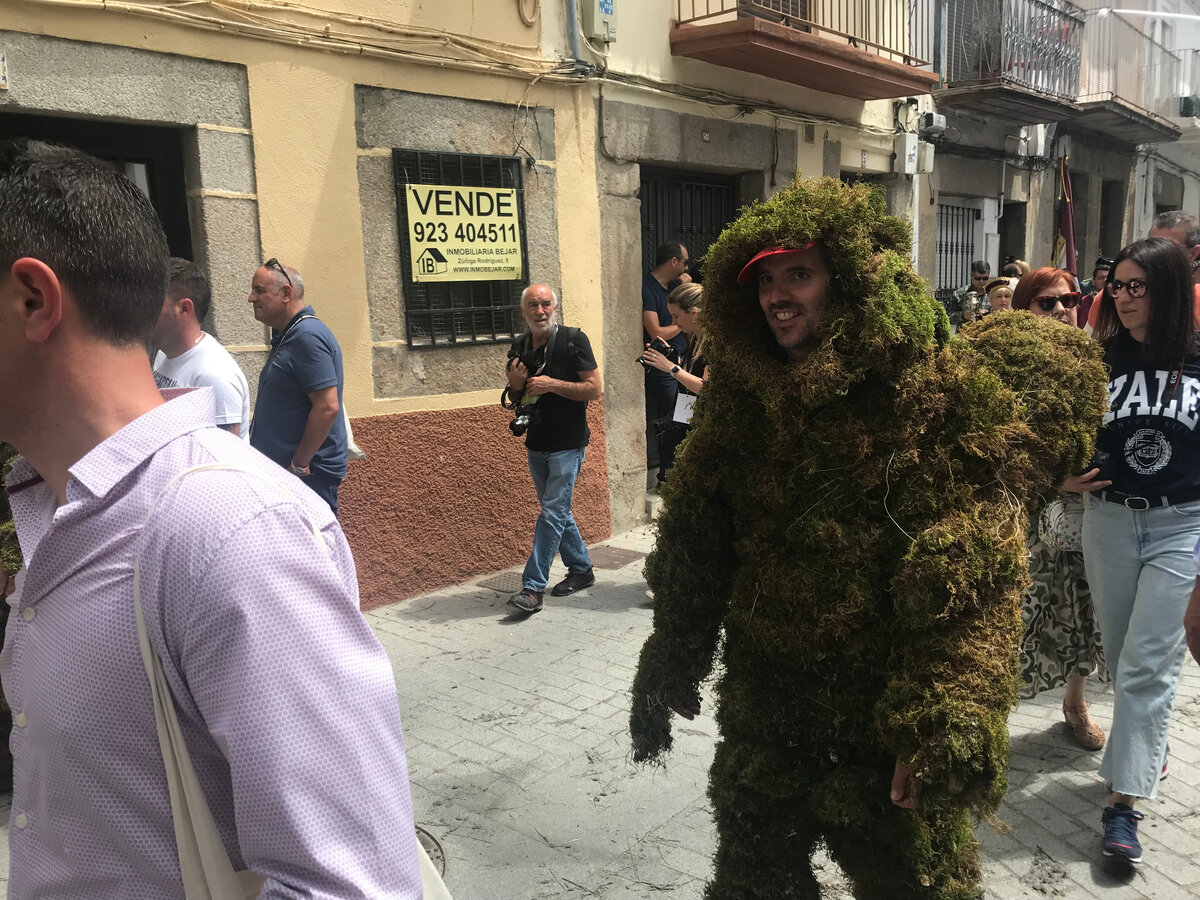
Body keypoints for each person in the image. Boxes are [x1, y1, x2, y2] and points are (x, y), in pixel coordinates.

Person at [629, 177, 1107, 899]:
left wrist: (941, 710)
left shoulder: (918, 395)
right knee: (754, 876)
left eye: (799, 274)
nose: (778, 295)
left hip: (880, 719)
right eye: (764, 281)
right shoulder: (739, 397)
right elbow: (698, 531)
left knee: (916, 883)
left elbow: (966, 560)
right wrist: (675, 648)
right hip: (767, 700)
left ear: (847, 283)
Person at [0, 140, 422, 897]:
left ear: (34, 300)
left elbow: (350, 884)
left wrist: (292, 472)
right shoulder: (55, 508)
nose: (255, 299)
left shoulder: (231, 534)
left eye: (265, 289)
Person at [1063, 236, 1200, 866]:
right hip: (1109, 523)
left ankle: (1122, 808)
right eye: (1115, 285)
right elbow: (1053, 431)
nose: (1119, 296)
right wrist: (1059, 475)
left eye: (1134, 286)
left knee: (1147, 668)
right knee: (1121, 663)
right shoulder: (1101, 358)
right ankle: (1146, 748)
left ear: (1167, 289)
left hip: (1182, 526)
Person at [1010, 268, 1107, 750]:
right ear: (1024, 308)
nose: (1062, 310)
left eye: (1069, 300)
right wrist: (1054, 478)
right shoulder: (1005, 364)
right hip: (1026, 511)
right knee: (1022, 613)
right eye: (1046, 303)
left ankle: (1075, 704)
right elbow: (995, 444)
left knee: (1085, 610)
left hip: (1092, 512)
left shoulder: (1098, 360)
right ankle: (987, 709)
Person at [504, 284, 602, 615]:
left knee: (551, 513)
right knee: (557, 511)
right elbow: (515, 398)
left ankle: (533, 588)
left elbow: (594, 389)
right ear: (524, 311)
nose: (540, 311)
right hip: (537, 442)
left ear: (555, 307)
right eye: (533, 305)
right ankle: (582, 569)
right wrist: (517, 384)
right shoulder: (520, 345)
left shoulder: (574, 340)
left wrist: (552, 385)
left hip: (567, 443)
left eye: (546, 304)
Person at [247, 258, 347, 515]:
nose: (251, 299)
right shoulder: (290, 334)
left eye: (259, 291)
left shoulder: (307, 336)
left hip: (305, 478)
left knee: (314, 552)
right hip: (287, 476)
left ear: (286, 294)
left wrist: (299, 465)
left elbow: (327, 407)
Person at [151, 257, 250, 437]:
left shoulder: (214, 376)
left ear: (184, 308)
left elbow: (224, 458)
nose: (144, 312)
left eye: (153, 303)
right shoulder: (162, 354)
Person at [642, 241, 691, 487]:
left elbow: (694, 304)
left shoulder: (674, 286)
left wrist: (688, 286)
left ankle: (677, 475)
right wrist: (683, 325)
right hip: (663, 367)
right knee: (679, 418)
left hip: (683, 363)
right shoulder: (648, 289)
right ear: (674, 262)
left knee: (684, 418)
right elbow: (655, 331)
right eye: (685, 262)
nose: (686, 267)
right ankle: (666, 478)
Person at [640, 282, 708, 430]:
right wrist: (673, 358)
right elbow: (693, 370)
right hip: (689, 419)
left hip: (706, 426)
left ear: (694, 313)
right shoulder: (694, 338)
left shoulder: (712, 342)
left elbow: (707, 387)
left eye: (676, 316)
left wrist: (671, 367)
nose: (673, 322)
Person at [1078, 256, 1112, 331]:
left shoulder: (1117, 302)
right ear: (1093, 281)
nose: (1105, 281)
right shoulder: (1084, 302)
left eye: (1108, 278)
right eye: (1101, 278)